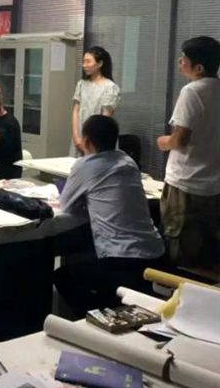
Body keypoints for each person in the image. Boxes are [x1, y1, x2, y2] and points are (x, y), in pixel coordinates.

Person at [55, 115, 165, 316]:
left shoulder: (85, 165)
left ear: (86, 141)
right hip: (154, 255)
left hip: (120, 260)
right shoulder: (127, 161)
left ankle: (99, 316)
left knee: (64, 276)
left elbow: (67, 205)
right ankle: (109, 305)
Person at [157, 36, 220, 269]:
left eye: (183, 59)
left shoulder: (192, 91)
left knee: (179, 253)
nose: (180, 62)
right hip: (214, 188)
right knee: (211, 256)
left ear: (199, 68)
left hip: (185, 185)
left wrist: (163, 142)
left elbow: (179, 139)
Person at [71, 46, 121, 156]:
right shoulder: (81, 84)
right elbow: (76, 110)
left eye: (88, 61)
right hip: (80, 136)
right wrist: (76, 136)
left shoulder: (110, 87)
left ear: (100, 63)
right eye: (83, 61)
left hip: (99, 140)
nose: (84, 65)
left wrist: (91, 143)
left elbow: (105, 119)